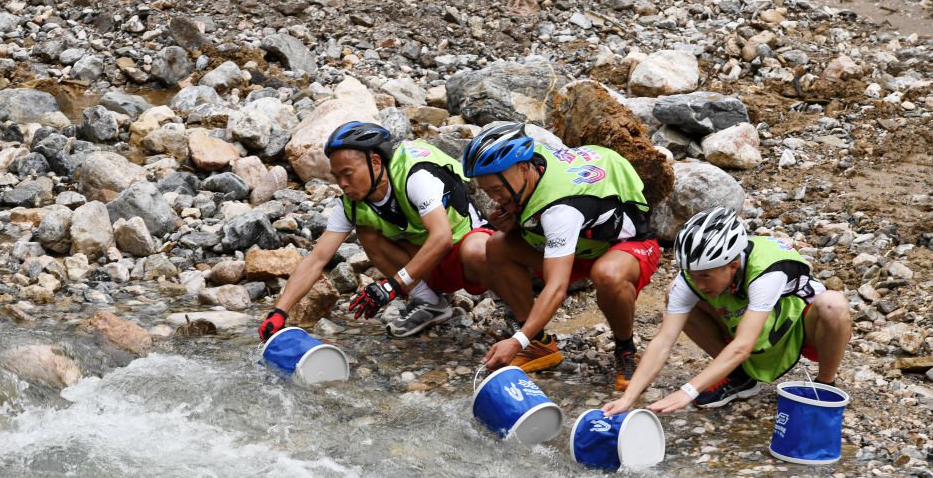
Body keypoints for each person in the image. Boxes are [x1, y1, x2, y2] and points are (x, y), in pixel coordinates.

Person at [462, 122, 660, 391]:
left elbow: (557, 288)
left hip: (627, 246)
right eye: (488, 192)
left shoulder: (562, 210)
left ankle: (626, 351)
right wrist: (516, 218)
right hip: (581, 244)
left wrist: (515, 340)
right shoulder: (535, 163)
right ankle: (539, 344)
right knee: (498, 245)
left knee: (607, 275)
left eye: (498, 189)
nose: (495, 198)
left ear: (523, 168)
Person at [602, 207, 852, 416]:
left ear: (733, 265)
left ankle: (825, 386)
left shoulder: (768, 270)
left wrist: (688, 391)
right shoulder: (691, 278)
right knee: (674, 295)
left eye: (705, 276)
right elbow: (664, 341)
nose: (698, 284)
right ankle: (738, 377)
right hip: (743, 324)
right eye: (691, 275)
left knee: (834, 304)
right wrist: (629, 397)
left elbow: (743, 345)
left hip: (794, 329)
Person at [258, 121, 492, 341]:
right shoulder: (351, 205)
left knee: (478, 250)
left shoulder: (415, 176)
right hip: (428, 266)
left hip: (468, 259)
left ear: (376, 162)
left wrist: (391, 286)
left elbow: (441, 239)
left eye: (348, 174)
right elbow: (317, 259)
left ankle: (518, 317)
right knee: (367, 231)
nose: (342, 184)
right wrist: (279, 311)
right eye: (337, 177)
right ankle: (430, 303)